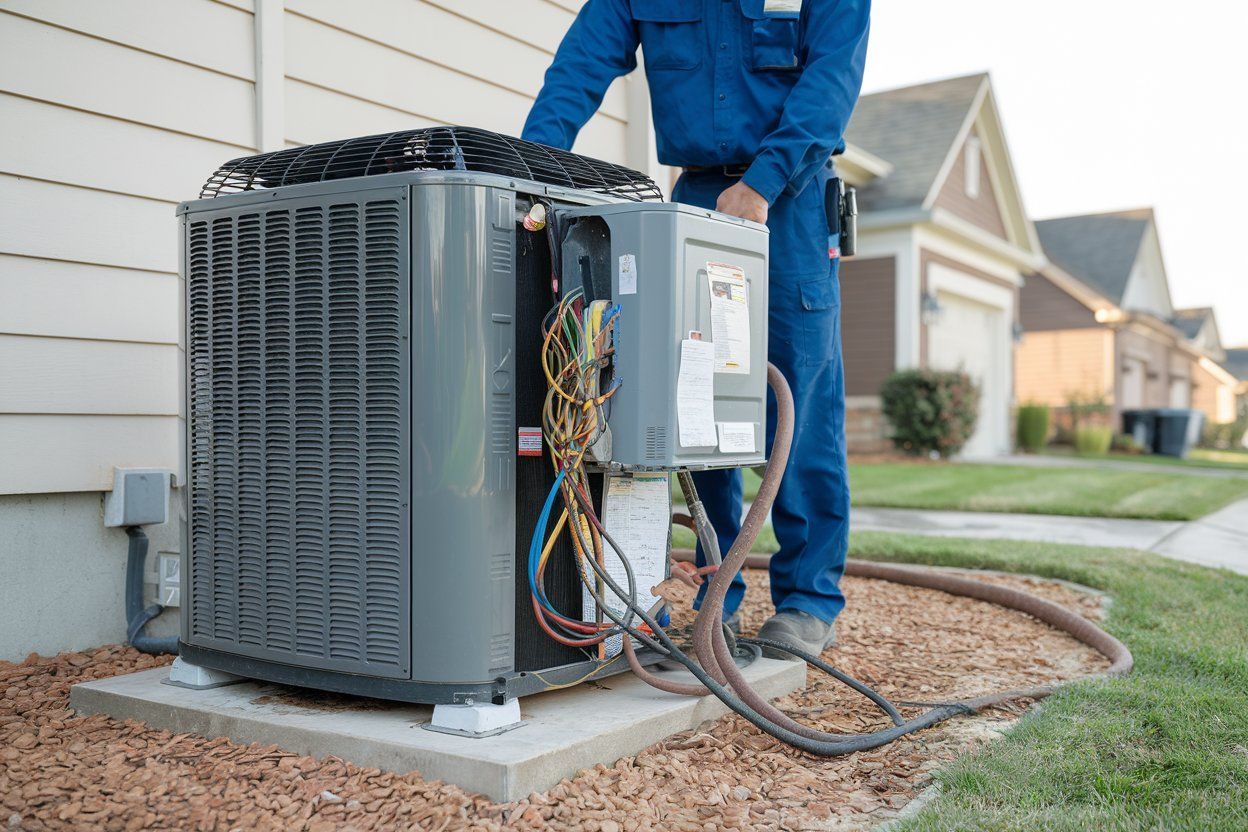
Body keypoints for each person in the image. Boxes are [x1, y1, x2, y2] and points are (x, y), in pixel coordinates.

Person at [523, 0, 870, 656]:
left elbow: (831, 81)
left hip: (789, 200)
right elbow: (580, 66)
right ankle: (716, 598)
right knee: (692, 403)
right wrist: (533, 167)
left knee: (799, 405)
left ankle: (808, 601)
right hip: (698, 201)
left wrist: (763, 182)